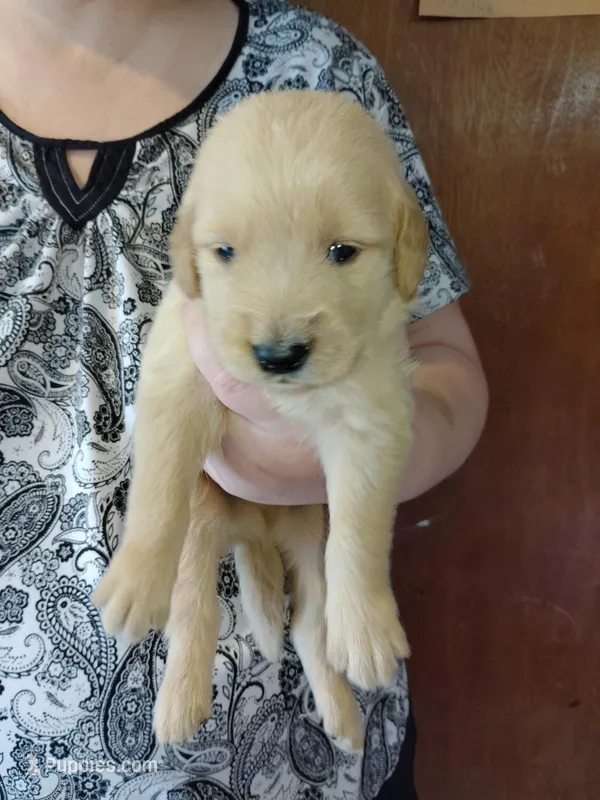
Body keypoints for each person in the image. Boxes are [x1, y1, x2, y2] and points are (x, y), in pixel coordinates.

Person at [0, 0, 488, 797]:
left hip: (297, 761)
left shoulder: (314, 66)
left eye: (338, 250)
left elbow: (441, 362)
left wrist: (358, 446)